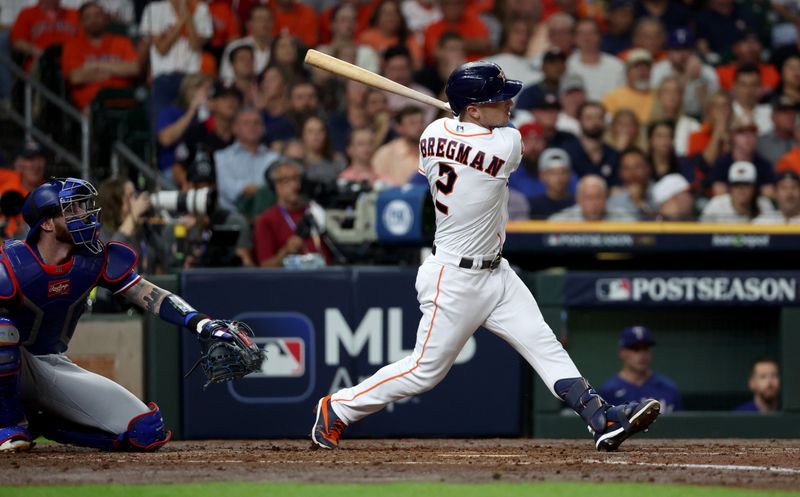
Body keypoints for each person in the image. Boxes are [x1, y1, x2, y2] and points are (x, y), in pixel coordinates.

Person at [310, 61, 661, 452]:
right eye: (498, 98)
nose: (508, 102)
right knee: (424, 372)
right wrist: (468, 121)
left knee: (543, 342)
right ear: (473, 109)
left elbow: (453, 133)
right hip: (454, 277)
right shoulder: (506, 144)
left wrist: (464, 118)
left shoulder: (430, 134)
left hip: (497, 272)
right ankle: (337, 407)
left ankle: (600, 416)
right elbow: (498, 135)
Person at [0, 178, 248, 452]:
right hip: (12, 359)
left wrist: (201, 323)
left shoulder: (92, 258)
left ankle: (46, 425)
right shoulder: (12, 263)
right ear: (46, 223)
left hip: (48, 362)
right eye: (71, 211)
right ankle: (9, 427)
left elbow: (151, 295)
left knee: (146, 430)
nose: (83, 215)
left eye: (82, 207)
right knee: (2, 330)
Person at [60, 1, 138, 111]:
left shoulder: (122, 42)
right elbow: (75, 77)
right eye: (88, 17)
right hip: (91, 106)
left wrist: (97, 65)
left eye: (97, 15)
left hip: (124, 101)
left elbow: (135, 68)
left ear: (105, 18)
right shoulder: (72, 46)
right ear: (81, 22)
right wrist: (117, 70)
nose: (93, 20)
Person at [253, 159, 331, 267]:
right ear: (276, 186)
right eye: (287, 180)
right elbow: (265, 266)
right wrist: (286, 251)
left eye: (297, 179)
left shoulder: (316, 211)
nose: (295, 185)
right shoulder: (266, 220)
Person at [599, 326, 683, 414]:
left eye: (645, 348)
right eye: (635, 348)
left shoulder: (668, 388)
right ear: (622, 352)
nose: (642, 354)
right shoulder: (609, 391)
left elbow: (678, 425)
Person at [214, 107, 280, 212]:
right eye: (246, 123)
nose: (252, 127)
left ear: (263, 128)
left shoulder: (274, 158)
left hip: (268, 212)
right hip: (233, 214)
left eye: (256, 123)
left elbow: (278, 188)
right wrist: (261, 190)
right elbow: (229, 190)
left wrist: (252, 189)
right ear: (235, 128)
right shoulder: (221, 158)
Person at [650, 28, 719, 118]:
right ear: (668, 51)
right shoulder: (658, 70)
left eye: (686, 49)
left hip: (699, 119)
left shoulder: (708, 72)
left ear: (693, 51)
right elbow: (657, 105)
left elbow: (710, 110)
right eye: (677, 49)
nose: (682, 55)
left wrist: (698, 79)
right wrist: (687, 76)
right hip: (666, 117)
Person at [10, 0, 80, 72]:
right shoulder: (27, 13)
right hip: (40, 61)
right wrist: (44, 55)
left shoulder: (74, 14)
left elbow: (86, 39)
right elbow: (17, 42)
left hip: (71, 61)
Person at [566, 18, 625, 102]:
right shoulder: (567, 65)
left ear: (600, 36)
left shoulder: (617, 66)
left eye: (591, 33)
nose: (586, 38)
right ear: (574, 38)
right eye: (581, 33)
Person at [700, 161, 775, 223]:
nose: (741, 189)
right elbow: (702, 235)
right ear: (730, 188)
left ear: (754, 188)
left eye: (746, 185)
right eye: (736, 185)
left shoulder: (764, 206)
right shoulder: (716, 206)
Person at [219, 4, 273, 86]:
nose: (264, 23)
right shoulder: (236, 47)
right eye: (259, 19)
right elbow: (226, 79)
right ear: (250, 23)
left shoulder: (278, 48)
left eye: (268, 19)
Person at [372, 105, 426, 186]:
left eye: (421, 122)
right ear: (399, 128)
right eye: (412, 123)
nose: (419, 127)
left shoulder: (432, 151)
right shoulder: (386, 153)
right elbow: (376, 183)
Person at [602, 48, 655, 126]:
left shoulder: (659, 95)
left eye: (646, 67)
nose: (642, 72)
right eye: (637, 67)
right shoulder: (612, 97)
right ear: (627, 72)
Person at [550, 174, 637, 222]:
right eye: (589, 198)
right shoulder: (561, 221)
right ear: (578, 199)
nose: (594, 203)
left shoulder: (623, 219)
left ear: (606, 198)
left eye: (598, 197)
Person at [528, 148, 576, 219]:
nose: (559, 178)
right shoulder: (533, 206)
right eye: (553, 173)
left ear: (569, 175)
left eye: (563, 172)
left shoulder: (576, 202)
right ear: (542, 175)